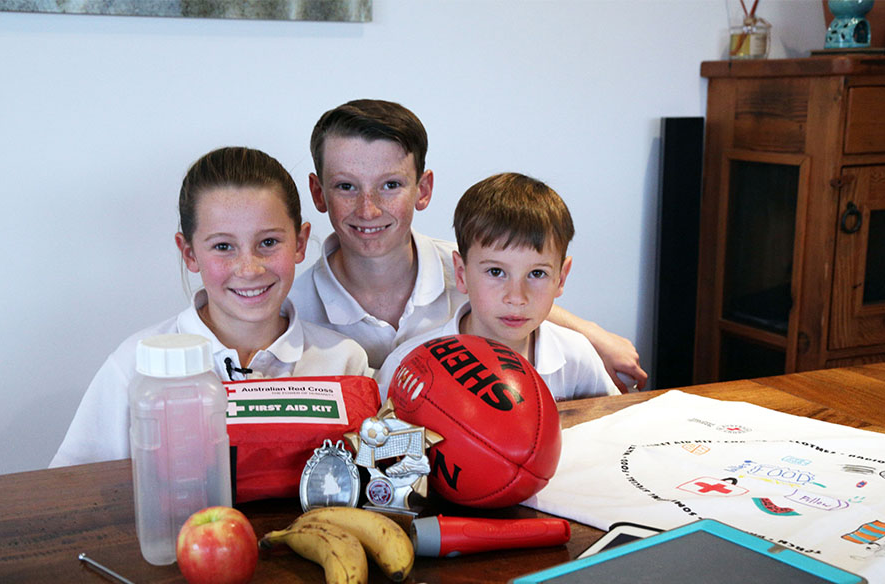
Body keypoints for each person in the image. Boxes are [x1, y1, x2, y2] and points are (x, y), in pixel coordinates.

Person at [288, 98, 647, 392]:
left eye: (391, 185)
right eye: (346, 187)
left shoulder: (460, 264)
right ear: (319, 193)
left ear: (423, 190)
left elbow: (518, 290)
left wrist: (593, 336)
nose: (368, 209)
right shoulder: (291, 311)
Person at [51, 147, 369, 467]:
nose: (249, 268)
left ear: (300, 243)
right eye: (223, 247)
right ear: (189, 253)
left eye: (269, 242)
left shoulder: (343, 360)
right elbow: (72, 493)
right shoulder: (134, 367)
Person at [375, 172, 619, 402]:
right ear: (461, 273)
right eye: (496, 272)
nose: (516, 297)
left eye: (537, 273)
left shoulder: (576, 356)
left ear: (561, 278)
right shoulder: (409, 364)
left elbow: (614, 433)